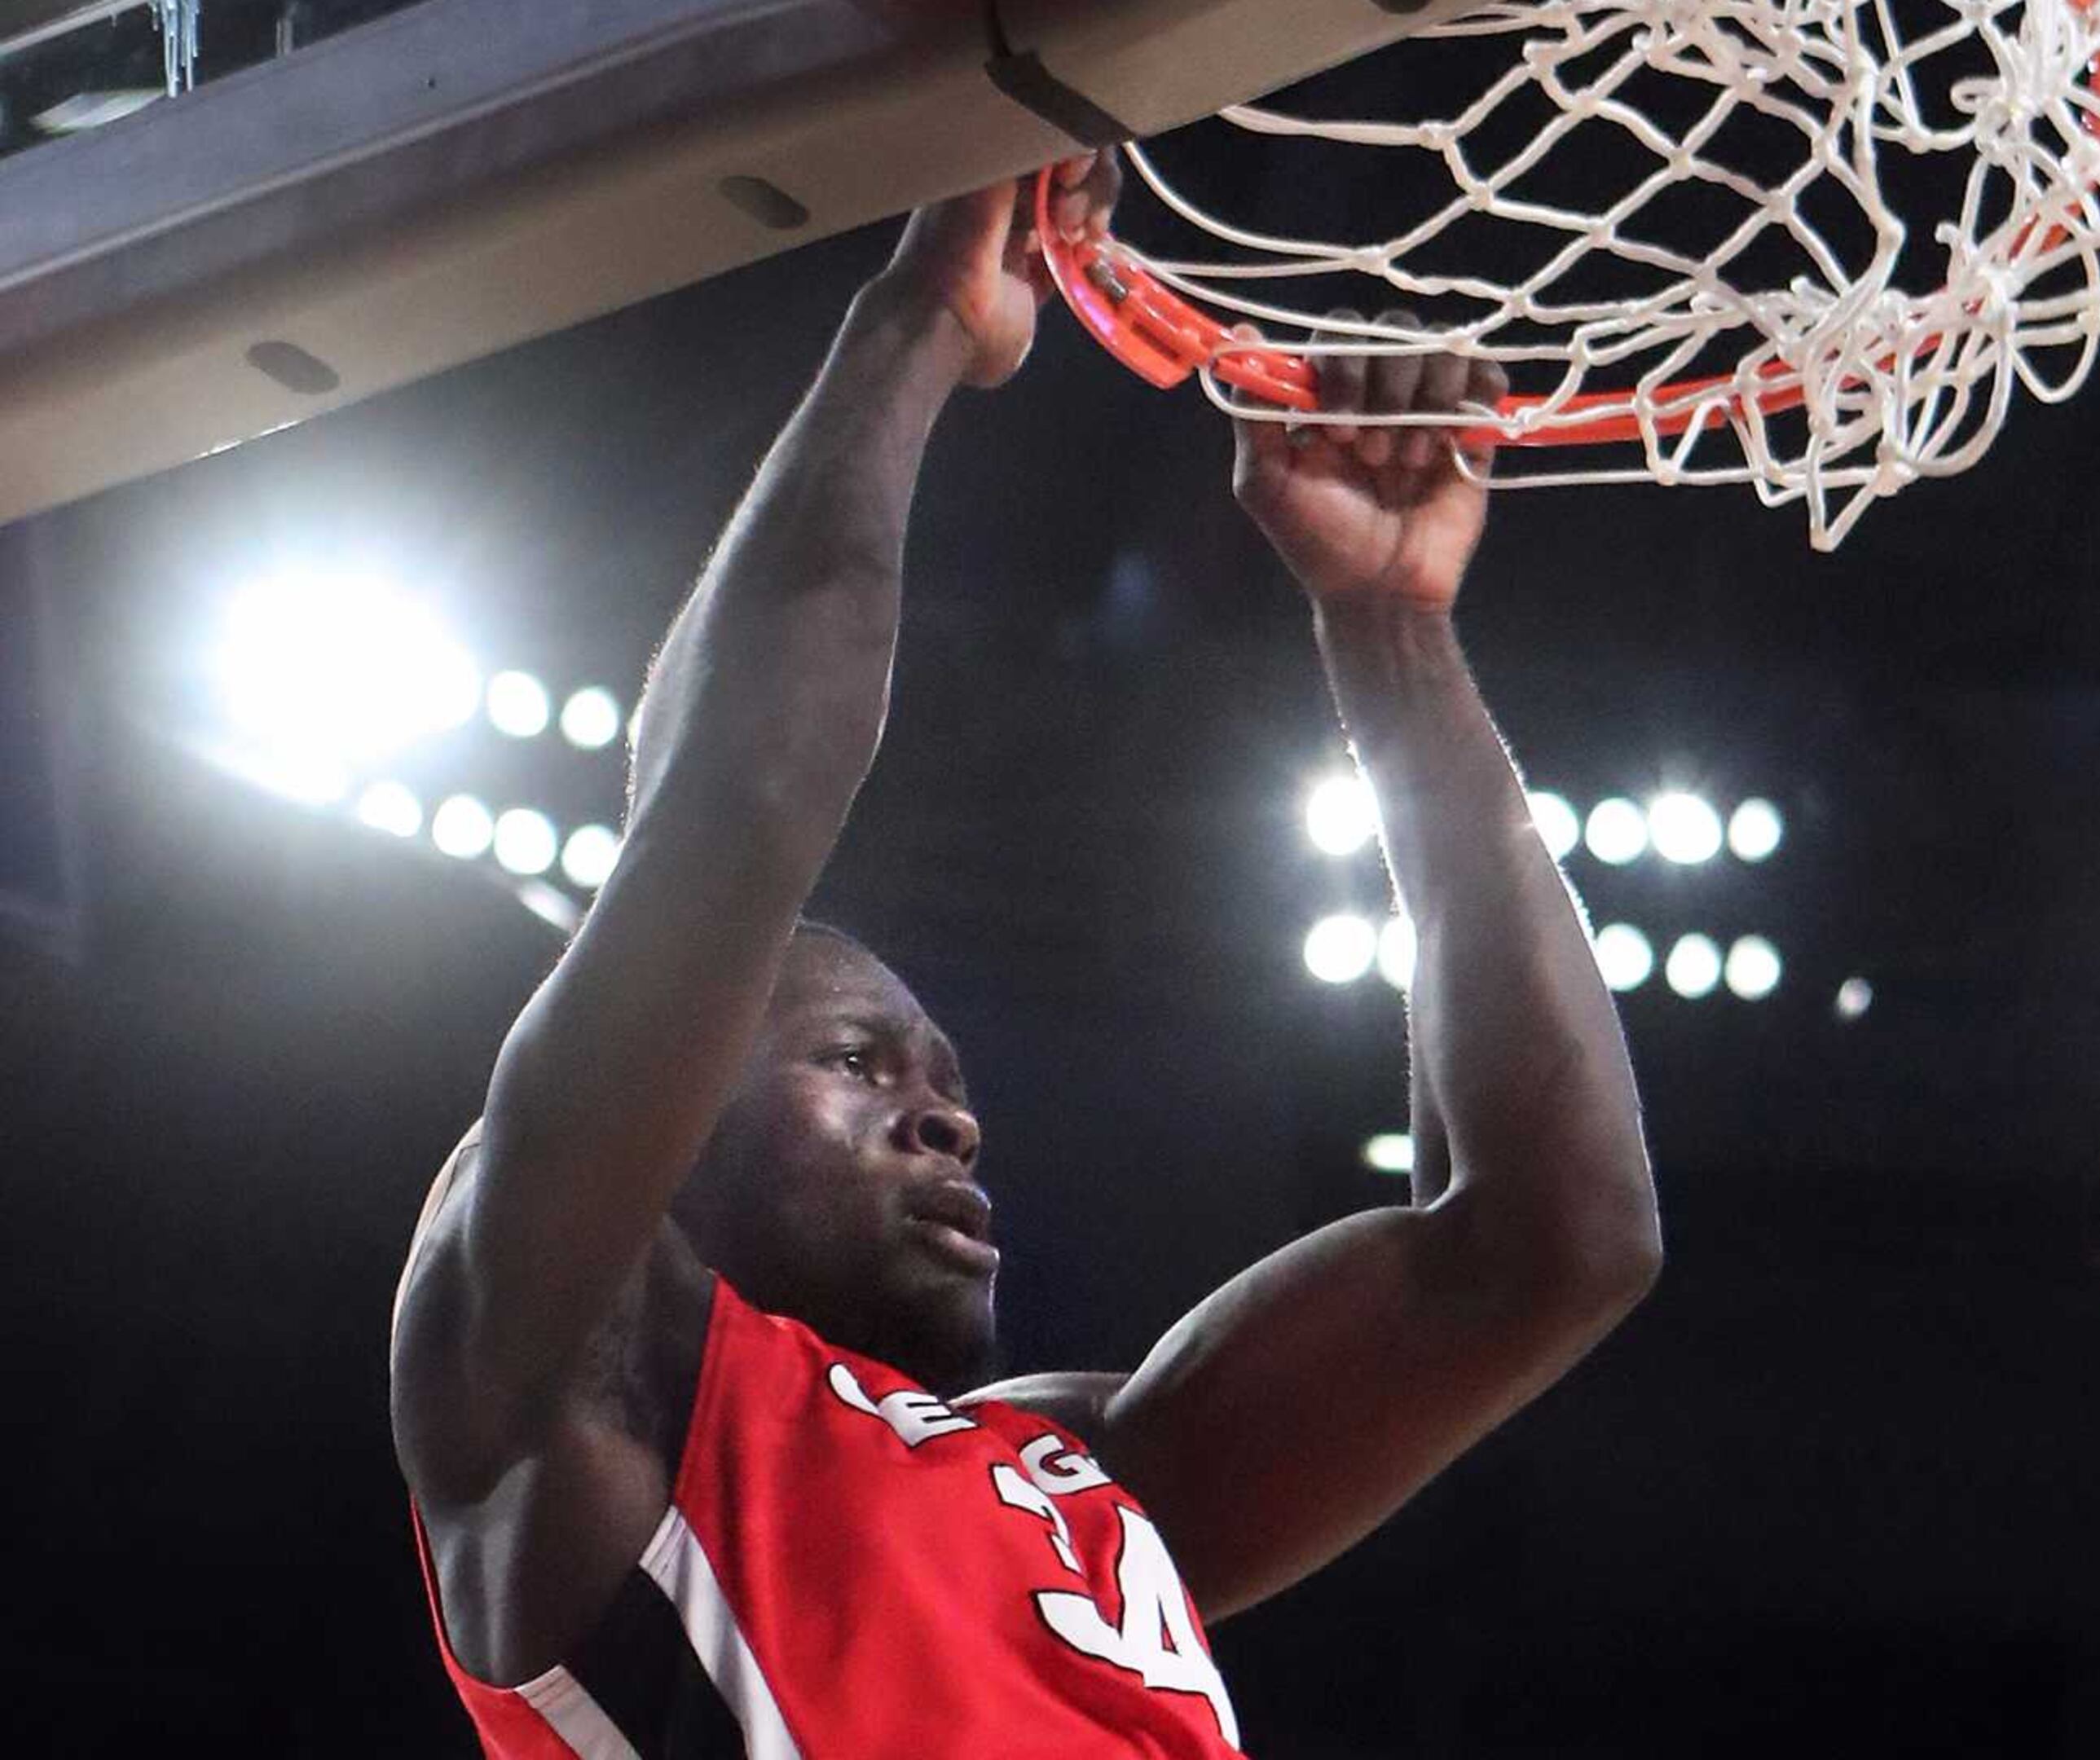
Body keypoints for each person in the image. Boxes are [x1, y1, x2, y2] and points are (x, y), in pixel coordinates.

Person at [388, 158, 1661, 1756]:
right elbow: (733, 810)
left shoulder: (1087, 1476)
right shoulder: (568, 1381)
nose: (948, 1119)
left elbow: (1556, 1244)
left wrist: (1393, 638)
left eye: (943, 1080)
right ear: (673, 1095)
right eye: (855, 1062)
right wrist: (918, 321)